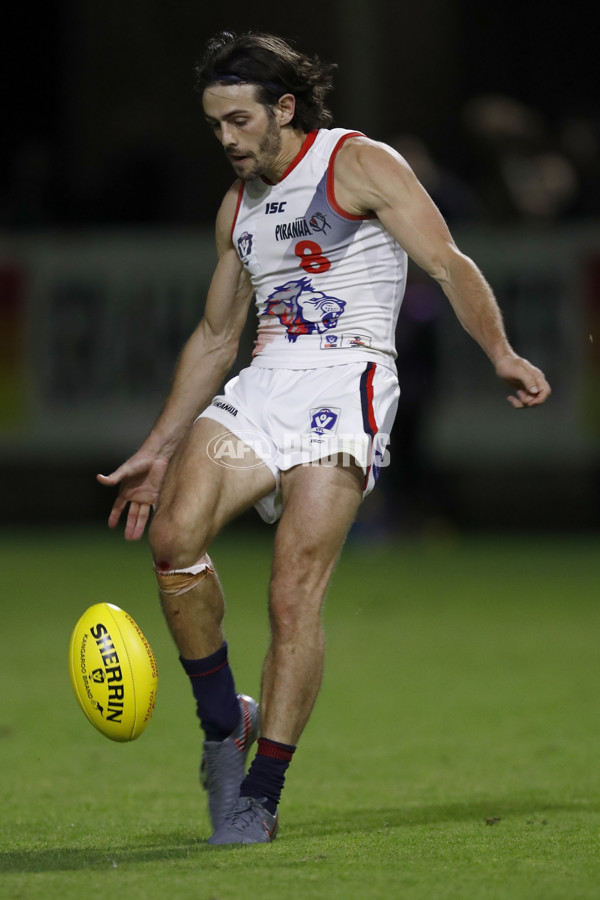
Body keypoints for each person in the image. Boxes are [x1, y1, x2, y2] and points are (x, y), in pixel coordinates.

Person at [97, 31, 551, 845]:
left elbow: (447, 263)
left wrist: (501, 352)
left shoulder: (358, 164)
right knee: (172, 538)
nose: (228, 139)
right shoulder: (237, 209)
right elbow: (212, 335)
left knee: (291, 592)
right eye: (215, 126)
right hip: (265, 385)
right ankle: (221, 723)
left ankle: (261, 795)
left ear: (284, 108)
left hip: (348, 386)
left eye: (240, 120)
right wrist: (159, 446)